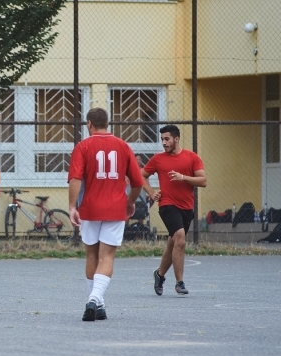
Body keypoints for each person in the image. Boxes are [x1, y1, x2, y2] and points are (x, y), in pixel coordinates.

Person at [68, 108, 144, 321]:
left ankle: (95, 301)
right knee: (107, 256)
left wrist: (72, 206)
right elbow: (138, 182)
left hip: (89, 209)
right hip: (115, 208)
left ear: (89, 124)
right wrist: (130, 202)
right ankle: (96, 300)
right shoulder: (123, 146)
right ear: (108, 124)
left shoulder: (83, 146)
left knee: (92, 255)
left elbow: (75, 179)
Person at [142, 124, 207, 296]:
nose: (163, 142)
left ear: (176, 139)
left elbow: (203, 181)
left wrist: (183, 178)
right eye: (162, 139)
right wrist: (151, 192)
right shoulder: (158, 159)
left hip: (186, 207)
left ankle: (159, 274)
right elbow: (140, 175)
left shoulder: (191, 157)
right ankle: (179, 283)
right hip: (167, 205)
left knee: (173, 243)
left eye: (167, 139)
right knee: (180, 239)